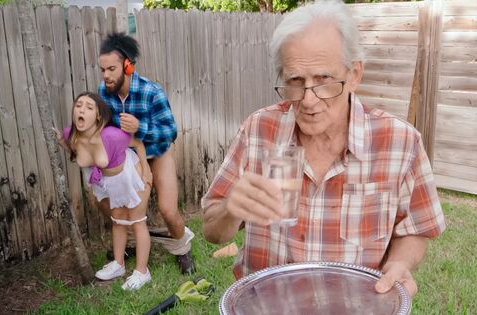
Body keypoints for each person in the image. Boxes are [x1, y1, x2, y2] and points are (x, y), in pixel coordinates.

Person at [202, 0, 446, 297]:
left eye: (324, 80)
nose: (308, 100)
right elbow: (212, 231)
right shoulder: (258, 131)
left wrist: (398, 263)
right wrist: (230, 208)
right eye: (295, 81)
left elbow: (416, 229)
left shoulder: (400, 143)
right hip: (266, 304)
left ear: (354, 74)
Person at [98, 32, 196, 274]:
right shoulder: (104, 92)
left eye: (111, 69)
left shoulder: (152, 92)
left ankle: (183, 249)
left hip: (158, 151)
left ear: (128, 66)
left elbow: (170, 132)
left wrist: (140, 128)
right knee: (107, 202)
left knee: (168, 210)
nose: (106, 76)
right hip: (128, 157)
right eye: (102, 70)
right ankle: (131, 241)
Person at [55, 92, 153, 291]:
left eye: (89, 107)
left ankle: (143, 272)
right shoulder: (70, 135)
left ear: (98, 117)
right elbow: (76, 151)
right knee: (117, 219)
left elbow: (138, 144)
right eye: (78, 105)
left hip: (131, 174)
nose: (82, 109)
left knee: (136, 221)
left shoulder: (112, 136)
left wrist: (147, 170)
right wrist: (60, 142)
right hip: (109, 181)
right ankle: (118, 264)